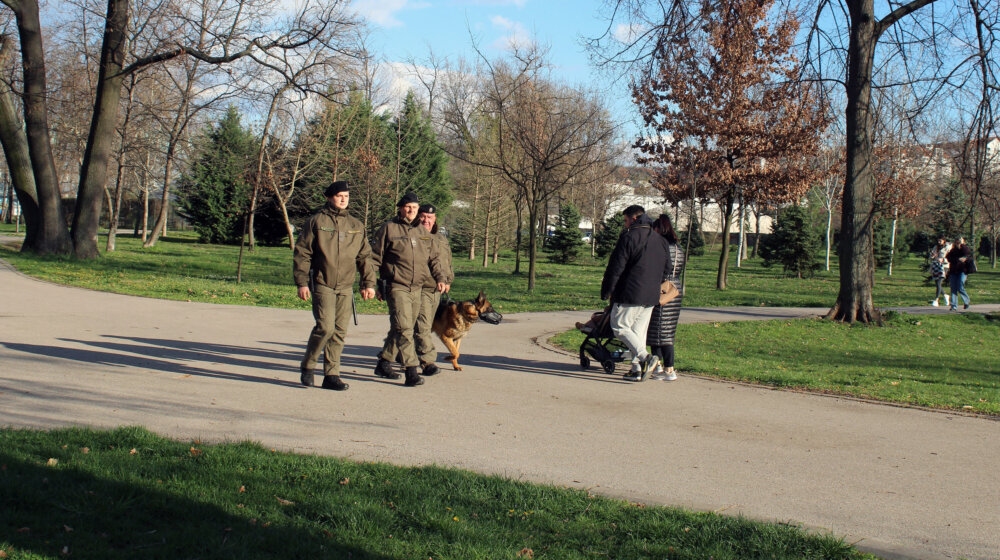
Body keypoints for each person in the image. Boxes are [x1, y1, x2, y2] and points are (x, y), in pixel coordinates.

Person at [293, 181, 376, 391]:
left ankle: (332, 375)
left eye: (346, 196)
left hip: (346, 286)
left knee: (339, 332)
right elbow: (303, 253)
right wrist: (301, 282)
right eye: (339, 195)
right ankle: (308, 365)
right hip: (323, 283)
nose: (343, 199)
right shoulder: (316, 222)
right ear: (329, 197)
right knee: (325, 327)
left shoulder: (356, 225)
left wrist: (368, 283)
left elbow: (365, 256)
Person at [371, 192, 447, 387]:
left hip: (417, 288)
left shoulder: (423, 233)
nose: (411, 210)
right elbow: (374, 259)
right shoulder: (389, 229)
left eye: (414, 207)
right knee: (405, 328)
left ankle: (384, 362)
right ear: (400, 208)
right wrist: (371, 284)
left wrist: (441, 277)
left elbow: (435, 259)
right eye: (408, 207)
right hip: (397, 286)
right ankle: (411, 370)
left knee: (401, 327)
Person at [600, 205, 672, 382]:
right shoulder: (660, 240)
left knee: (620, 327)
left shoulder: (629, 237)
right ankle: (636, 369)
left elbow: (616, 267)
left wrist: (607, 290)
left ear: (633, 219)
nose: (624, 225)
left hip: (630, 292)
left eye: (625, 221)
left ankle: (647, 358)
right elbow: (667, 269)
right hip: (651, 295)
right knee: (638, 333)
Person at [646, 214, 686, 382]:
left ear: (658, 229)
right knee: (667, 331)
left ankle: (665, 367)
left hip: (661, 289)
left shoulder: (660, 247)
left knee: (657, 332)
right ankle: (663, 367)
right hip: (675, 291)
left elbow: (656, 268)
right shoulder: (679, 249)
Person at [945, 236, 972, 311]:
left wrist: (962, 245)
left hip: (963, 271)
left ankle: (966, 301)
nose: (958, 243)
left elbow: (967, 254)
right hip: (954, 271)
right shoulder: (953, 250)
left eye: (960, 241)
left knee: (960, 286)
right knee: (953, 288)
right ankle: (953, 306)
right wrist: (957, 259)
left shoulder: (965, 248)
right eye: (957, 241)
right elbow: (948, 257)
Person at [929, 236, 951, 307]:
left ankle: (936, 300)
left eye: (940, 241)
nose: (939, 242)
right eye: (938, 241)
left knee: (939, 282)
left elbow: (950, 257)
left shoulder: (948, 247)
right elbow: (932, 255)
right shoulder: (936, 247)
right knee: (937, 282)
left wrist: (943, 259)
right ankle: (945, 295)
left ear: (944, 241)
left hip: (944, 266)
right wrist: (932, 256)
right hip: (936, 265)